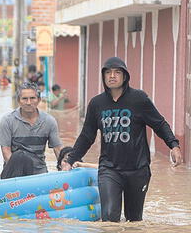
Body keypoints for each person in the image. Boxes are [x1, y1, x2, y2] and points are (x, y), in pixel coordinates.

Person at [62, 57, 183, 222]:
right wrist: (71, 159)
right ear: (103, 77)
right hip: (109, 169)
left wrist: (174, 145)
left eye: (117, 72)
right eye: (108, 72)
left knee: (134, 220)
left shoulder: (139, 99)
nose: (112, 76)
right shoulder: (97, 104)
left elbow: (159, 124)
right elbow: (86, 136)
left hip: (138, 169)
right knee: (110, 217)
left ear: (125, 76)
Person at [0, 82, 63, 179]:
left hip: (39, 172)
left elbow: (57, 149)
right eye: (24, 98)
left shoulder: (49, 121)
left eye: (32, 98)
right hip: (14, 172)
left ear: (39, 100)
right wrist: (18, 172)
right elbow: (6, 151)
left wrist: (64, 167)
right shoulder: (7, 120)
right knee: (19, 155)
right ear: (18, 101)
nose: (29, 102)